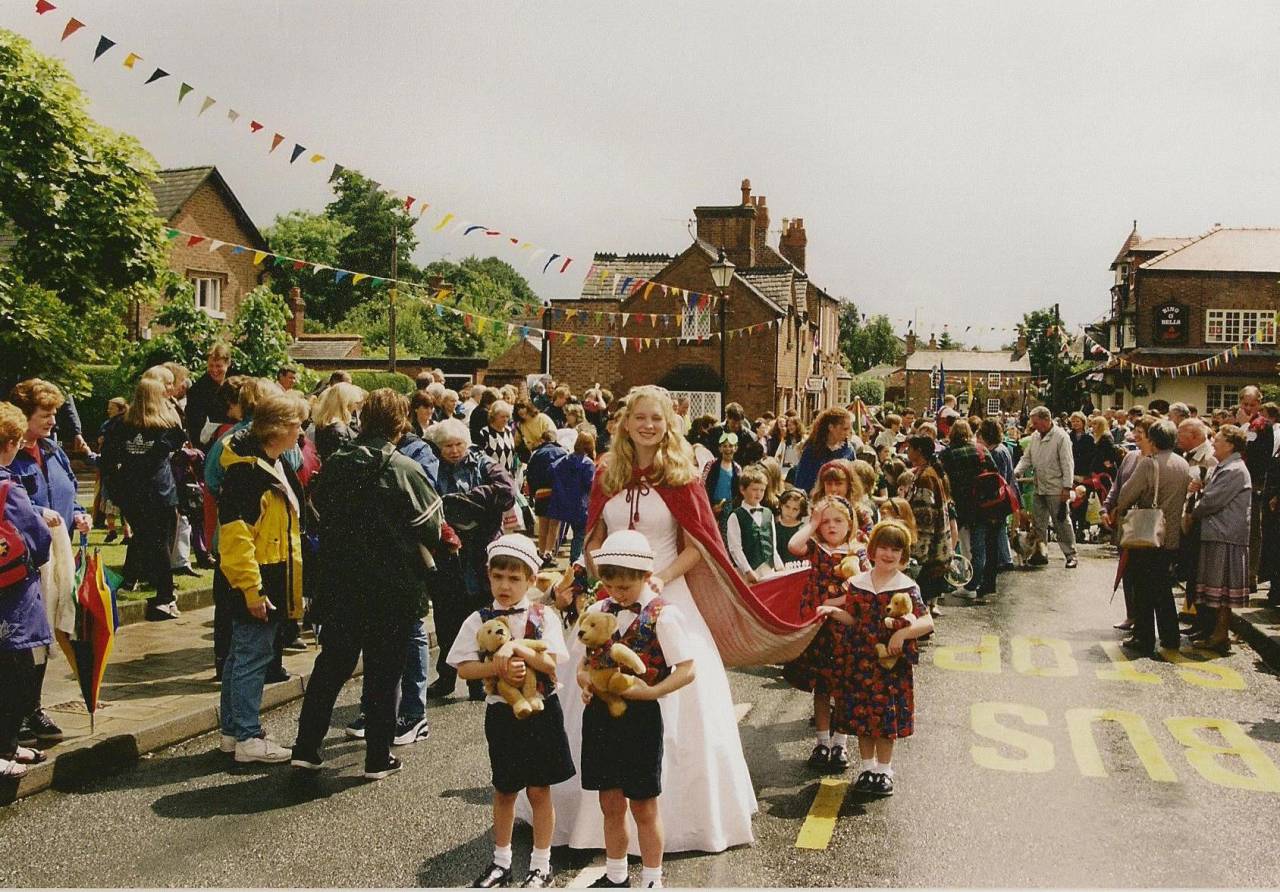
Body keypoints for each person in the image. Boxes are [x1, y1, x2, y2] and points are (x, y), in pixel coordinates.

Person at [546, 385, 757, 854]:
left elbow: (700, 545)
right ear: (625, 422)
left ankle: (680, 824)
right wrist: (601, 572)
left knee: (681, 702)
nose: (647, 425)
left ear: (669, 424)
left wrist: (657, 581)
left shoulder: (684, 476)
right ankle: (594, 822)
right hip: (613, 598)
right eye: (639, 417)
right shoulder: (608, 472)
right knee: (593, 693)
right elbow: (593, 534)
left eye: (656, 419)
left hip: (667, 595)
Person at [292, 389, 443, 778]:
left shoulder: (337, 464)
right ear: (400, 423)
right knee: (384, 672)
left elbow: (317, 512)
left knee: (331, 667)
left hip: (340, 582)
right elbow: (431, 527)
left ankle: (306, 748)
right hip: (391, 588)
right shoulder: (404, 468)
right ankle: (378, 758)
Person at [448, 534, 574, 889]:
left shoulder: (542, 615)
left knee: (539, 790)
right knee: (504, 789)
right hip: (503, 713)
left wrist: (516, 646)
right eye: (498, 577)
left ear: (531, 580)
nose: (505, 585)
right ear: (488, 576)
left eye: (514, 578)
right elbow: (464, 668)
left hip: (541, 712)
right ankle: (501, 863)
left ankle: (541, 863)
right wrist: (496, 669)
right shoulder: (478, 619)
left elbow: (551, 662)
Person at [577, 530, 696, 891]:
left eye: (627, 583)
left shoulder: (664, 615)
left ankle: (652, 879)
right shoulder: (597, 611)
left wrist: (653, 693)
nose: (618, 590)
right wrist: (586, 682)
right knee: (609, 801)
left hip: (641, 720)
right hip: (600, 716)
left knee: (643, 805)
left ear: (646, 576)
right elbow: (584, 663)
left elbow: (687, 669)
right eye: (611, 581)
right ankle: (616, 874)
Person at [215, 391, 309, 763]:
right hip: (257, 578)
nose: (301, 431)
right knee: (252, 656)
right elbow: (236, 538)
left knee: (242, 657)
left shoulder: (268, 463)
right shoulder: (247, 474)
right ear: (279, 429)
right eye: (297, 424)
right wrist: (252, 589)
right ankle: (248, 738)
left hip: (264, 574)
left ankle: (233, 732)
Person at [818, 520, 932, 796]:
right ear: (872, 550)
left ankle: (884, 770)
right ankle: (867, 768)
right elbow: (853, 618)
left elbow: (926, 621)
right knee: (862, 718)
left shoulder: (906, 586)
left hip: (889, 666)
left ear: (903, 554)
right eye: (883, 547)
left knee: (885, 721)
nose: (888, 554)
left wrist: (901, 636)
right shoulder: (857, 583)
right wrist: (833, 613)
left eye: (895, 549)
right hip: (859, 660)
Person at [8, 380, 89, 746]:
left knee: (46, 637)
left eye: (55, 413)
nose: (53, 421)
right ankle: (19, 713)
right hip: (24, 563)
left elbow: (69, 491)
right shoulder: (8, 458)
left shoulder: (53, 451)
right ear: (23, 418)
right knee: (25, 641)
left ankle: (33, 707)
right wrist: (40, 513)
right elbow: (14, 506)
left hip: (58, 555)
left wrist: (79, 514)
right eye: (45, 415)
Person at [426, 419, 516, 702]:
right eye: (447, 446)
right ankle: (447, 675)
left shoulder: (484, 464)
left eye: (458, 445)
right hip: (449, 551)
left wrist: (464, 500)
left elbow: (507, 493)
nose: (454, 451)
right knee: (446, 617)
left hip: (481, 553)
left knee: (482, 616)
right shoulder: (432, 467)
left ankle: (480, 679)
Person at [784, 495, 866, 771]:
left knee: (843, 689)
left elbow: (863, 588)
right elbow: (793, 545)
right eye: (826, 521)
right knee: (822, 687)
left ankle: (840, 743)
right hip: (820, 631)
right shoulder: (816, 548)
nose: (831, 526)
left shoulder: (857, 551)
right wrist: (813, 521)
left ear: (850, 523)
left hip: (844, 628)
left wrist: (836, 603)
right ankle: (821, 741)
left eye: (838, 520)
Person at [101, 379, 188, 621]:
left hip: (132, 492)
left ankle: (132, 581)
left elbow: (107, 460)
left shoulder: (119, 425)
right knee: (160, 543)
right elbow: (181, 440)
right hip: (159, 492)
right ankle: (164, 596)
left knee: (145, 538)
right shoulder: (166, 425)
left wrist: (117, 489)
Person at [0, 401, 55, 779]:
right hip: (12, 591)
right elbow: (38, 537)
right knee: (16, 673)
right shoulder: (8, 487)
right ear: (12, 442)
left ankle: (6, 746)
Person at [1115, 419, 1190, 656]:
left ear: (1154, 440)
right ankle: (1170, 636)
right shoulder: (1182, 463)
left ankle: (1144, 638)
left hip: (1148, 533)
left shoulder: (1149, 464)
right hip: (1171, 536)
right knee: (1163, 587)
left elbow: (1126, 495)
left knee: (1143, 588)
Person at [1188, 425, 1252, 654]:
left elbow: (1212, 502)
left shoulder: (1234, 469)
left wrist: (1194, 509)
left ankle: (1220, 634)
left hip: (1225, 536)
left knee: (1222, 591)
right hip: (1219, 533)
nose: (1213, 442)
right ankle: (1215, 632)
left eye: (1219, 439)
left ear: (1231, 445)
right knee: (1217, 590)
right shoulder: (1227, 467)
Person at [1014, 406, 1078, 569]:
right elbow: (1027, 458)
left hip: (1056, 487)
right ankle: (1040, 553)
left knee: (1061, 522)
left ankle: (1071, 554)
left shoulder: (1061, 437)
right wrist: (1017, 472)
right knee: (1038, 523)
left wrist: (1067, 487)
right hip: (1039, 485)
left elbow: (1067, 463)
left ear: (1046, 420)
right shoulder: (1035, 436)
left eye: (1036, 422)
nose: (1034, 426)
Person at [1178, 418, 1218, 635]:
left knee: (1198, 570)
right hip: (1189, 516)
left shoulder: (1209, 458)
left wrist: (1201, 487)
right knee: (1192, 569)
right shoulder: (1188, 455)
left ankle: (1202, 621)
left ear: (1194, 436)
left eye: (1180, 435)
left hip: (1200, 520)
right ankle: (1194, 616)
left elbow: (1212, 490)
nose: (1177, 439)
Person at [905, 435, 953, 610]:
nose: (907, 452)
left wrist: (919, 549)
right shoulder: (929, 472)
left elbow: (926, 515)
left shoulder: (926, 477)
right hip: (936, 540)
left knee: (923, 593)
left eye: (909, 448)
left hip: (929, 543)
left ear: (918, 451)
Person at [1237, 385, 1273, 591]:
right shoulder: (1243, 423)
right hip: (1238, 481)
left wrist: (1243, 426)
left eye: (1252, 404)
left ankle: (1251, 575)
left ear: (1259, 404)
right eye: (1245, 404)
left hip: (1254, 482)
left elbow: (1253, 450)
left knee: (1253, 532)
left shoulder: (1262, 425)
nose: (1249, 408)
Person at [547, 430, 597, 565]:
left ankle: (550, 554)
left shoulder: (564, 460)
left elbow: (552, 471)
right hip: (580, 504)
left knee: (557, 531)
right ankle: (575, 562)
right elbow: (591, 485)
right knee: (579, 535)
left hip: (562, 501)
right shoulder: (588, 464)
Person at [726, 466, 783, 582]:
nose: (758, 494)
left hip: (768, 569)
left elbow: (773, 545)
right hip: (748, 571)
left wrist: (779, 566)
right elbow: (735, 548)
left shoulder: (768, 513)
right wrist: (747, 570)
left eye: (762, 490)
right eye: (754, 489)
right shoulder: (736, 516)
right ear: (742, 490)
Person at [526, 430, 568, 565]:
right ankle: (549, 553)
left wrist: (532, 493)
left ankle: (541, 551)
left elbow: (530, 475)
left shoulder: (536, 454)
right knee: (554, 526)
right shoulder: (563, 452)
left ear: (542, 440)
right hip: (558, 493)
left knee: (543, 526)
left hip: (541, 492)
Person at [791, 408, 855, 493]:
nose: (847, 433)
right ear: (831, 427)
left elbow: (853, 483)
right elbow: (800, 484)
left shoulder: (849, 450)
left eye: (849, 429)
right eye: (844, 429)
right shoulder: (812, 451)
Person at [184, 342, 232, 448]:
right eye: (211, 366)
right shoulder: (197, 391)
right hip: (209, 446)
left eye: (219, 366)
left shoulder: (235, 384)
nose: (214, 370)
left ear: (228, 363)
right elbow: (194, 428)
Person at [312, 382, 365, 462]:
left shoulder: (324, 423)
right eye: (354, 403)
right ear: (346, 403)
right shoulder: (339, 430)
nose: (355, 407)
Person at [703, 432, 741, 537]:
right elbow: (703, 484)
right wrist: (710, 504)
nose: (728, 449)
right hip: (712, 502)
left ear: (735, 448)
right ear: (720, 448)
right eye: (724, 446)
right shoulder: (711, 464)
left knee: (725, 534)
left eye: (730, 446)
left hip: (729, 504)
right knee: (710, 532)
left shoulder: (737, 468)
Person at [481, 400, 518, 476]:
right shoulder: (484, 432)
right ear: (493, 416)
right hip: (491, 477)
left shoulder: (509, 431)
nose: (505, 420)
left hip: (508, 477)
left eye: (507, 417)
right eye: (502, 417)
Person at [774, 489, 807, 558]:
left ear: (801, 511)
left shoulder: (804, 530)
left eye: (795, 509)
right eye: (787, 507)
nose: (790, 511)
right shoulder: (773, 527)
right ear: (781, 505)